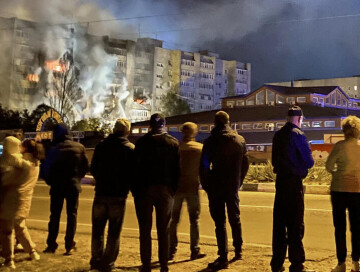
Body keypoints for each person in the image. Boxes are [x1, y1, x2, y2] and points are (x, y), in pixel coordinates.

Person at [200, 111, 249, 271]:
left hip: (216, 186)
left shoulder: (211, 141)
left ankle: (223, 255)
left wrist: (207, 185)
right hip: (232, 186)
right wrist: (238, 181)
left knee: (219, 222)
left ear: (215, 123)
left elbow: (204, 166)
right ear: (228, 121)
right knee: (235, 217)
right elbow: (245, 163)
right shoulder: (239, 140)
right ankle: (238, 249)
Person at [133, 113, 180, 272]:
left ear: (150, 125)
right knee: (163, 230)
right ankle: (164, 265)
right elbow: (177, 170)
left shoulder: (141, 143)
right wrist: (172, 190)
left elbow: (135, 169)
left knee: (145, 229)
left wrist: (136, 191)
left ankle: (146, 265)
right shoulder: (173, 143)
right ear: (164, 125)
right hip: (165, 190)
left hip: (145, 190)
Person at [270, 105, 314, 272]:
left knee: (279, 226)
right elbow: (309, 162)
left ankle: (277, 263)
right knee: (295, 226)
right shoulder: (299, 135)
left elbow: (274, 161)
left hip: (280, 184)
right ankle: (296, 264)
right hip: (294, 185)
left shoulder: (278, 135)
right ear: (299, 118)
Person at [89, 119, 135, 272]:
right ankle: (108, 263)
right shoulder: (129, 149)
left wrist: (101, 179)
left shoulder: (101, 146)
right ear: (127, 131)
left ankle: (95, 260)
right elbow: (132, 173)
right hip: (118, 194)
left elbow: (93, 168)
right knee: (113, 232)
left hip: (101, 192)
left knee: (97, 230)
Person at [42, 123, 89, 255]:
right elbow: (85, 166)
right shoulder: (79, 147)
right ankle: (69, 244)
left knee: (54, 216)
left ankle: (51, 245)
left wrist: (50, 181)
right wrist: (77, 178)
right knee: (72, 215)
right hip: (72, 185)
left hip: (57, 186)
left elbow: (45, 168)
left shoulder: (52, 148)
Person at [0, 137, 43, 269]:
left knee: (7, 231)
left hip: (12, 200)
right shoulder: (36, 164)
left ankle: (9, 259)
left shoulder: (23, 165)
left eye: (22, 146)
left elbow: (6, 179)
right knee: (20, 227)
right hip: (25, 200)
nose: (19, 148)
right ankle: (32, 252)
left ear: (26, 149)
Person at [326, 115, 360, 272]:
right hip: (357, 191)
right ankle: (356, 262)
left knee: (339, 227)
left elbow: (328, 165)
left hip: (339, 190)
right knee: (357, 228)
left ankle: (341, 263)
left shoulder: (339, 146)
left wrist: (336, 174)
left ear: (344, 131)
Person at [169, 122, 206, 261]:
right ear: (194, 133)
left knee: (173, 220)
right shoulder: (200, 149)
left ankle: (171, 250)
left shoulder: (175, 149)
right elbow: (205, 168)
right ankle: (194, 250)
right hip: (192, 188)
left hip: (176, 189)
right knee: (194, 220)